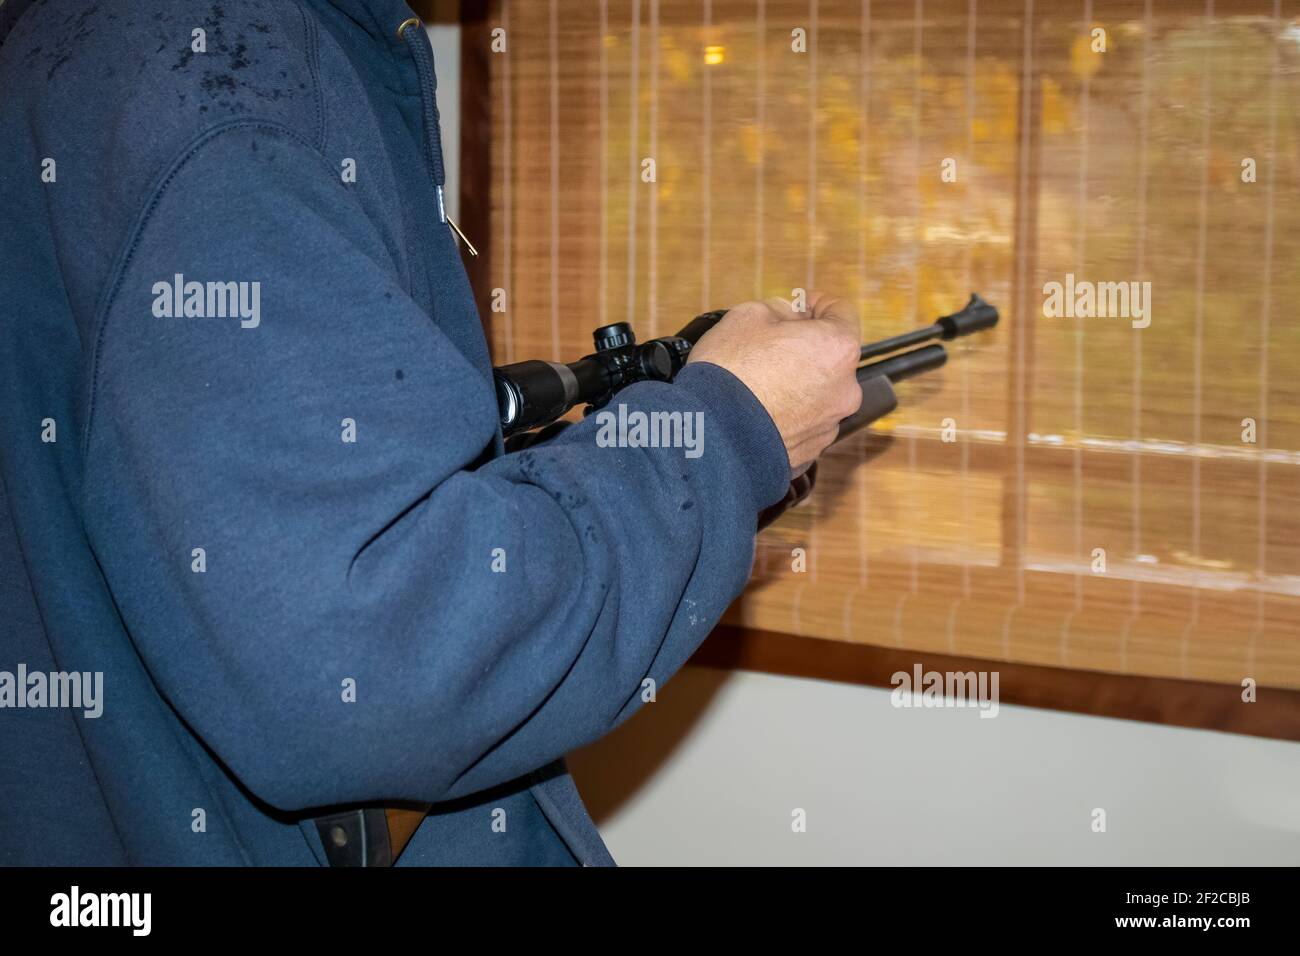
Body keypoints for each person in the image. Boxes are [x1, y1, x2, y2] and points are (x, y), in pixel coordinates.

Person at [0, 0, 861, 865]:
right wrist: (725, 436)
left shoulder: (160, 53)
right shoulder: (217, 67)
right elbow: (370, 651)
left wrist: (687, 456)